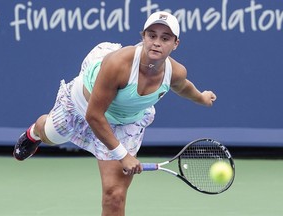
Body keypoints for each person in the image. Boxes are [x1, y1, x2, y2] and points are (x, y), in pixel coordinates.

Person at [13, 11, 216, 216]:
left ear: (175, 44)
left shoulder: (176, 71)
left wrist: (202, 97)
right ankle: (34, 133)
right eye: (151, 35)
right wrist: (123, 155)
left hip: (124, 121)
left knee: (115, 196)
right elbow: (94, 114)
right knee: (51, 135)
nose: (156, 42)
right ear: (142, 37)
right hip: (83, 105)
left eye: (165, 38)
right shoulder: (118, 64)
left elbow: (182, 86)